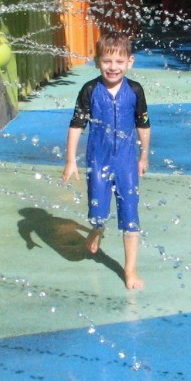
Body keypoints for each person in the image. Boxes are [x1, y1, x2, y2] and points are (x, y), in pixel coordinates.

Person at [62, 31, 151, 290]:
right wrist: (71, 160)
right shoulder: (90, 90)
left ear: (129, 62)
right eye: (107, 62)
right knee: (98, 213)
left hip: (126, 163)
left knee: (130, 217)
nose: (113, 67)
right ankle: (98, 229)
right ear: (97, 61)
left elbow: (143, 126)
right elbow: (76, 125)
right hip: (98, 161)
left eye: (119, 62)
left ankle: (130, 270)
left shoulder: (135, 91)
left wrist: (143, 156)